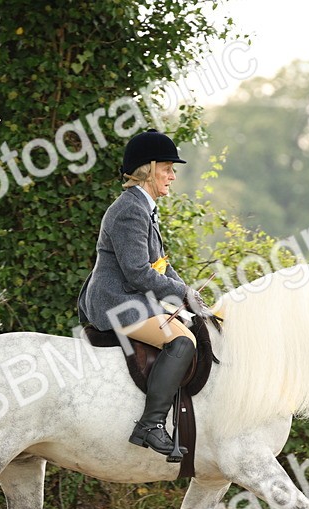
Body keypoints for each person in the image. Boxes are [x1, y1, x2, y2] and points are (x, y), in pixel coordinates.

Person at [77, 129, 197, 459]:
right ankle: (150, 424)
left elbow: (158, 266)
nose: (172, 176)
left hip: (131, 298)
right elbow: (138, 272)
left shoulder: (143, 209)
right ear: (148, 169)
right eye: (167, 168)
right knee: (182, 341)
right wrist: (181, 292)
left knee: (194, 326)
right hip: (116, 302)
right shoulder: (130, 210)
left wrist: (191, 297)